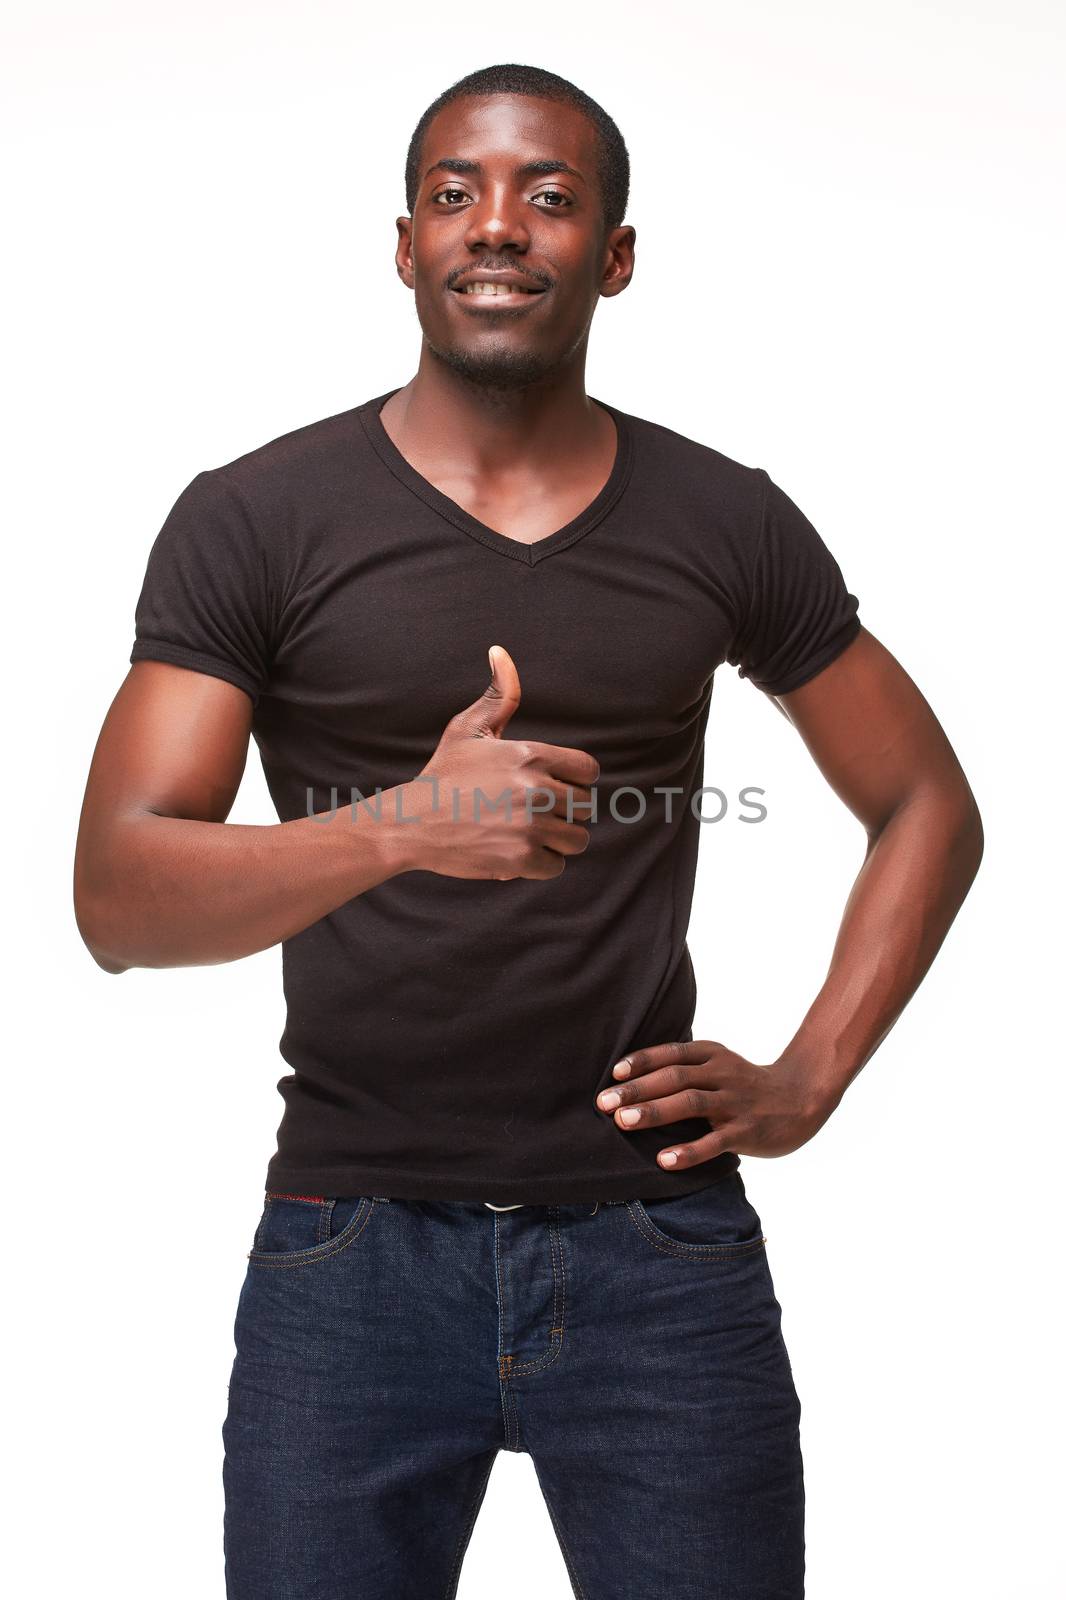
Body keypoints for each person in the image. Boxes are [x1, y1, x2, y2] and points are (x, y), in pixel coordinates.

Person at [73, 60, 983, 1600]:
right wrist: (397, 830)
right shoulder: (256, 517)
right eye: (456, 193)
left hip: (660, 1260)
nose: (497, 225)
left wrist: (810, 1075)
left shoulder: (723, 520)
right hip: (346, 1254)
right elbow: (117, 899)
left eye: (548, 197)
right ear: (407, 242)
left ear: (613, 254)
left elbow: (925, 804)